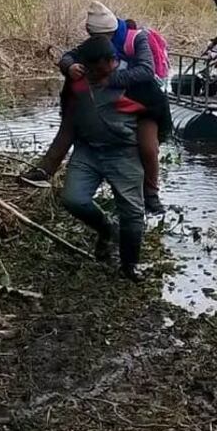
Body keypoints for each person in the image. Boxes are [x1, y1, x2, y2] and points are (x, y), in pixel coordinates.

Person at [21, 1, 170, 215]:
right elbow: (69, 56)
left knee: (148, 147)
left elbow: (146, 70)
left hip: (143, 100)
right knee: (69, 129)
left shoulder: (136, 39)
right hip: (108, 101)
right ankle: (44, 171)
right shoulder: (95, 46)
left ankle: (151, 193)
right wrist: (69, 66)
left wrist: (109, 79)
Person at [60, 35, 146, 279]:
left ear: (110, 62)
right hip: (88, 149)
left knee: (132, 212)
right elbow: (67, 125)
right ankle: (106, 227)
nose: (89, 72)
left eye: (94, 68)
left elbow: (152, 122)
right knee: (72, 199)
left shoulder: (133, 81)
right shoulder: (79, 83)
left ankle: (130, 265)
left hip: (123, 152)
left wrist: (150, 177)